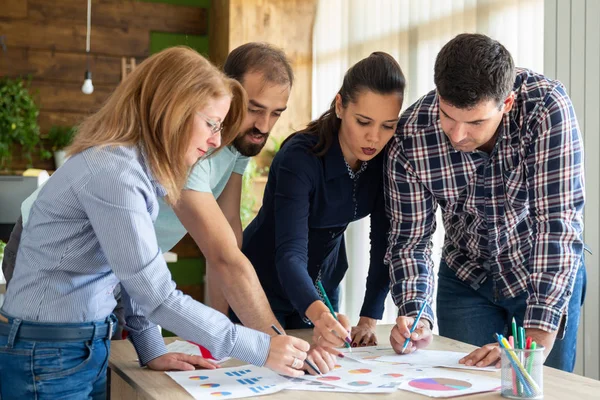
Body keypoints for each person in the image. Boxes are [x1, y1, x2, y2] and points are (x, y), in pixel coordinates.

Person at [0, 47, 309, 400]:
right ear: (173, 113)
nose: (216, 141)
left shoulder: (137, 170)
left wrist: (151, 347)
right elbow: (157, 295)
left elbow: (129, 272)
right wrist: (260, 347)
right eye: (210, 124)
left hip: (78, 346)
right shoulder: (115, 172)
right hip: (47, 355)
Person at [385, 33, 585, 372]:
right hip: (466, 277)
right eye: (447, 116)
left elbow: (557, 225)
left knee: (534, 385)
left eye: (476, 122)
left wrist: (534, 342)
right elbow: (411, 240)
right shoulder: (410, 137)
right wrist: (416, 312)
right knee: (468, 387)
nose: (458, 134)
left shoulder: (546, 107)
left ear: (506, 104)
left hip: (540, 272)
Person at [238, 52, 406, 374]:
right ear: (340, 105)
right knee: (257, 379)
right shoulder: (300, 157)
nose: (374, 138)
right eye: (363, 122)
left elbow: (384, 241)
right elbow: (288, 254)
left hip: (321, 286)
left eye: (388, 125)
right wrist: (318, 314)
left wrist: (369, 318)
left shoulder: (386, 160)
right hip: (261, 284)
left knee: (318, 379)